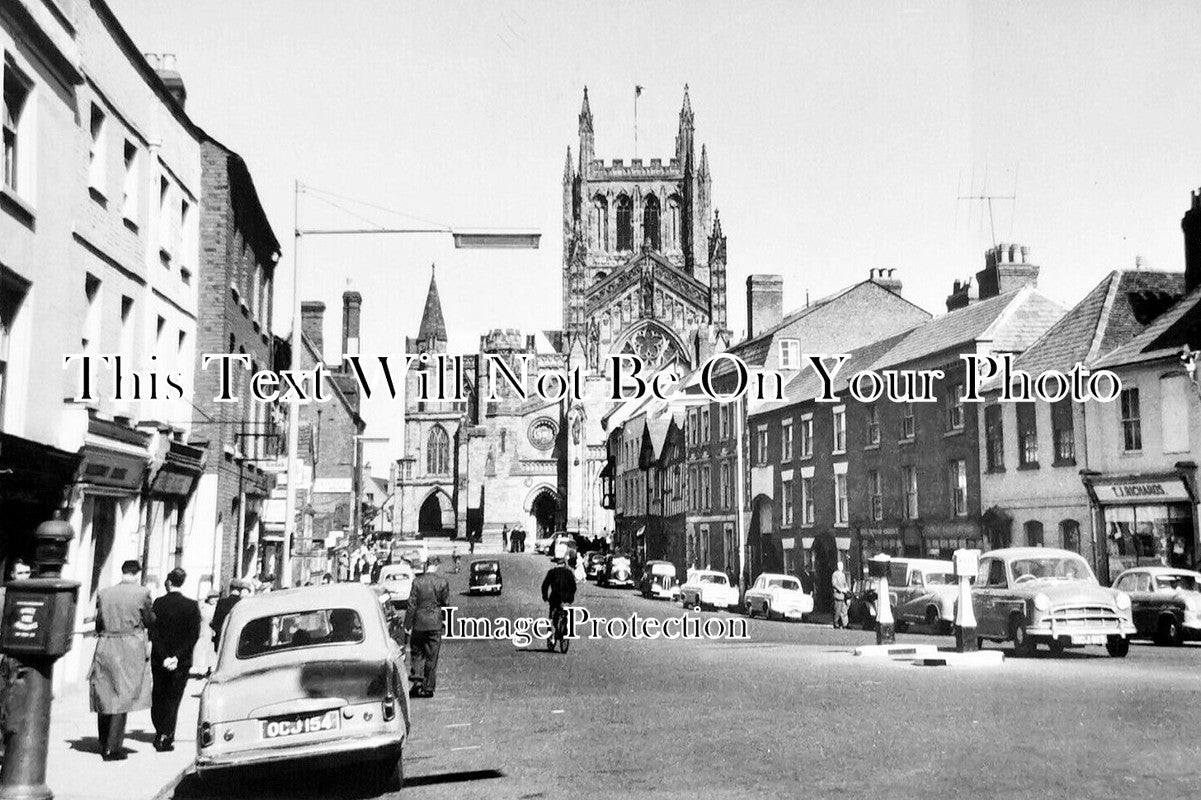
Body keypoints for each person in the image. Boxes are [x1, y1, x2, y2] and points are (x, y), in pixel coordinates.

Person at [89, 560, 154, 761]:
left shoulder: (105, 593)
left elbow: (99, 622)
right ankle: (113, 746)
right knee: (123, 696)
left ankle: (103, 740)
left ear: (122, 571)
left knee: (105, 692)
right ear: (137, 573)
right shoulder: (142, 593)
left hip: (106, 644)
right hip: (129, 646)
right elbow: (149, 619)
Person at [149, 568, 200, 752]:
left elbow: (153, 632)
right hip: (182, 661)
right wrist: (177, 656)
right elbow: (193, 635)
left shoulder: (158, 603)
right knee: (174, 698)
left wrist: (164, 656)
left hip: (159, 659)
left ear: (169, 583)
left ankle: (160, 730)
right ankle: (167, 734)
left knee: (159, 695)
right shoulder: (191, 606)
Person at [404, 561, 450, 698]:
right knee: (432, 656)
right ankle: (428, 687)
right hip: (435, 623)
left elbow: (411, 604)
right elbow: (446, 603)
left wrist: (407, 624)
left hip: (419, 623)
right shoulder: (442, 582)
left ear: (426, 566)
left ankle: (417, 682)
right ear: (436, 567)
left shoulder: (417, 582)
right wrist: (444, 621)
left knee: (417, 652)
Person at [210, 578, 253, 652]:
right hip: (237, 642)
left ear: (230, 588)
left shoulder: (221, 602)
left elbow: (215, 623)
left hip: (221, 641)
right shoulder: (242, 603)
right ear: (240, 590)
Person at [541, 556, 577, 642]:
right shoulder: (569, 573)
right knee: (566, 614)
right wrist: (570, 597)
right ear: (564, 564)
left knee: (552, 616)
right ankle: (565, 628)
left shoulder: (552, 572)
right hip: (566, 598)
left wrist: (545, 596)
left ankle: (552, 635)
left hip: (555, 597)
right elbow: (573, 587)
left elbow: (545, 585)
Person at [831, 562, 850, 630]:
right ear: (838, 567)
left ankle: (845, 624)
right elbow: (834, 584)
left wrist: (847, 588)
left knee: (844, 611)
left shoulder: (843, 574)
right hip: (838, 595)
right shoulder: (835, 574)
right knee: (837, 611)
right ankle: (836, 623)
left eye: (842, 566)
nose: (841, 567)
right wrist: (841, 590)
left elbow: (845, 583)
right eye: (840, 566)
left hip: (843, 595)